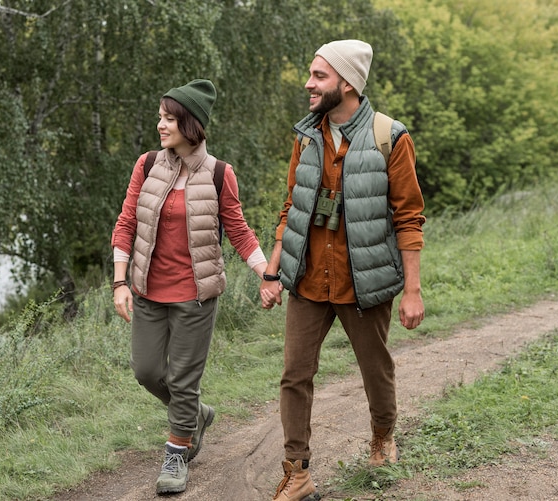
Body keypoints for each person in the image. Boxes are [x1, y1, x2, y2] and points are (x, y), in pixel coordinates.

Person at [260, 40, 426, 501]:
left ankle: (382, 436)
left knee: (375, 369)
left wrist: (412, 290)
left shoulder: (389, 137)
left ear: (347, 83)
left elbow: (409, 218)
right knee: (295, 375)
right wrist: (273, 272)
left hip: (364, 282)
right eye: (311, 75)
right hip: (308, 279)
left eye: (319, 76)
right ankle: (298, 472)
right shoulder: (305, 137)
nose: (308, 84)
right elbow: (290, 207)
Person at [111, 79, 268, 495]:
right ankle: (195, 414)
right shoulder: (147, 165)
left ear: (190, 123)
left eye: (168, 118)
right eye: (160, 117)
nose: (160, 125)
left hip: (195, 295)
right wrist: (119, 281)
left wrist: (266, 273)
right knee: (146, 370)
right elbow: (127, 222)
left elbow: (238, 229)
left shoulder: (219, 174)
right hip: (148, 290)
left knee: (182, 380)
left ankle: (177, 453)